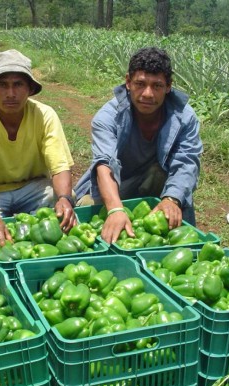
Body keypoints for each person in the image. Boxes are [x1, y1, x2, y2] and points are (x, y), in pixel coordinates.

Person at [74, 47, 202, 244]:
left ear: (169, 86)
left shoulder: (185, 117)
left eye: (157, 86)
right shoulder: (108, 116)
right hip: (117, 185)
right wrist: (116, 209)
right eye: (140, 84)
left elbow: (186, 163)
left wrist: (172, 199)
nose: (148, 94)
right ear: (128, 82)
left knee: (170, 190)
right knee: (88, 211)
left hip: (158, 183)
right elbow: (104, 164)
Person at [0, 49, 76, 253]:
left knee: (62, 201)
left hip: (33, 188)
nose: (10, 94)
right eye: (3, 85)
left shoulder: (45, 116)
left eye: (18, 85)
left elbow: (60, 167)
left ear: (30, 89)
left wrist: (65, 199)